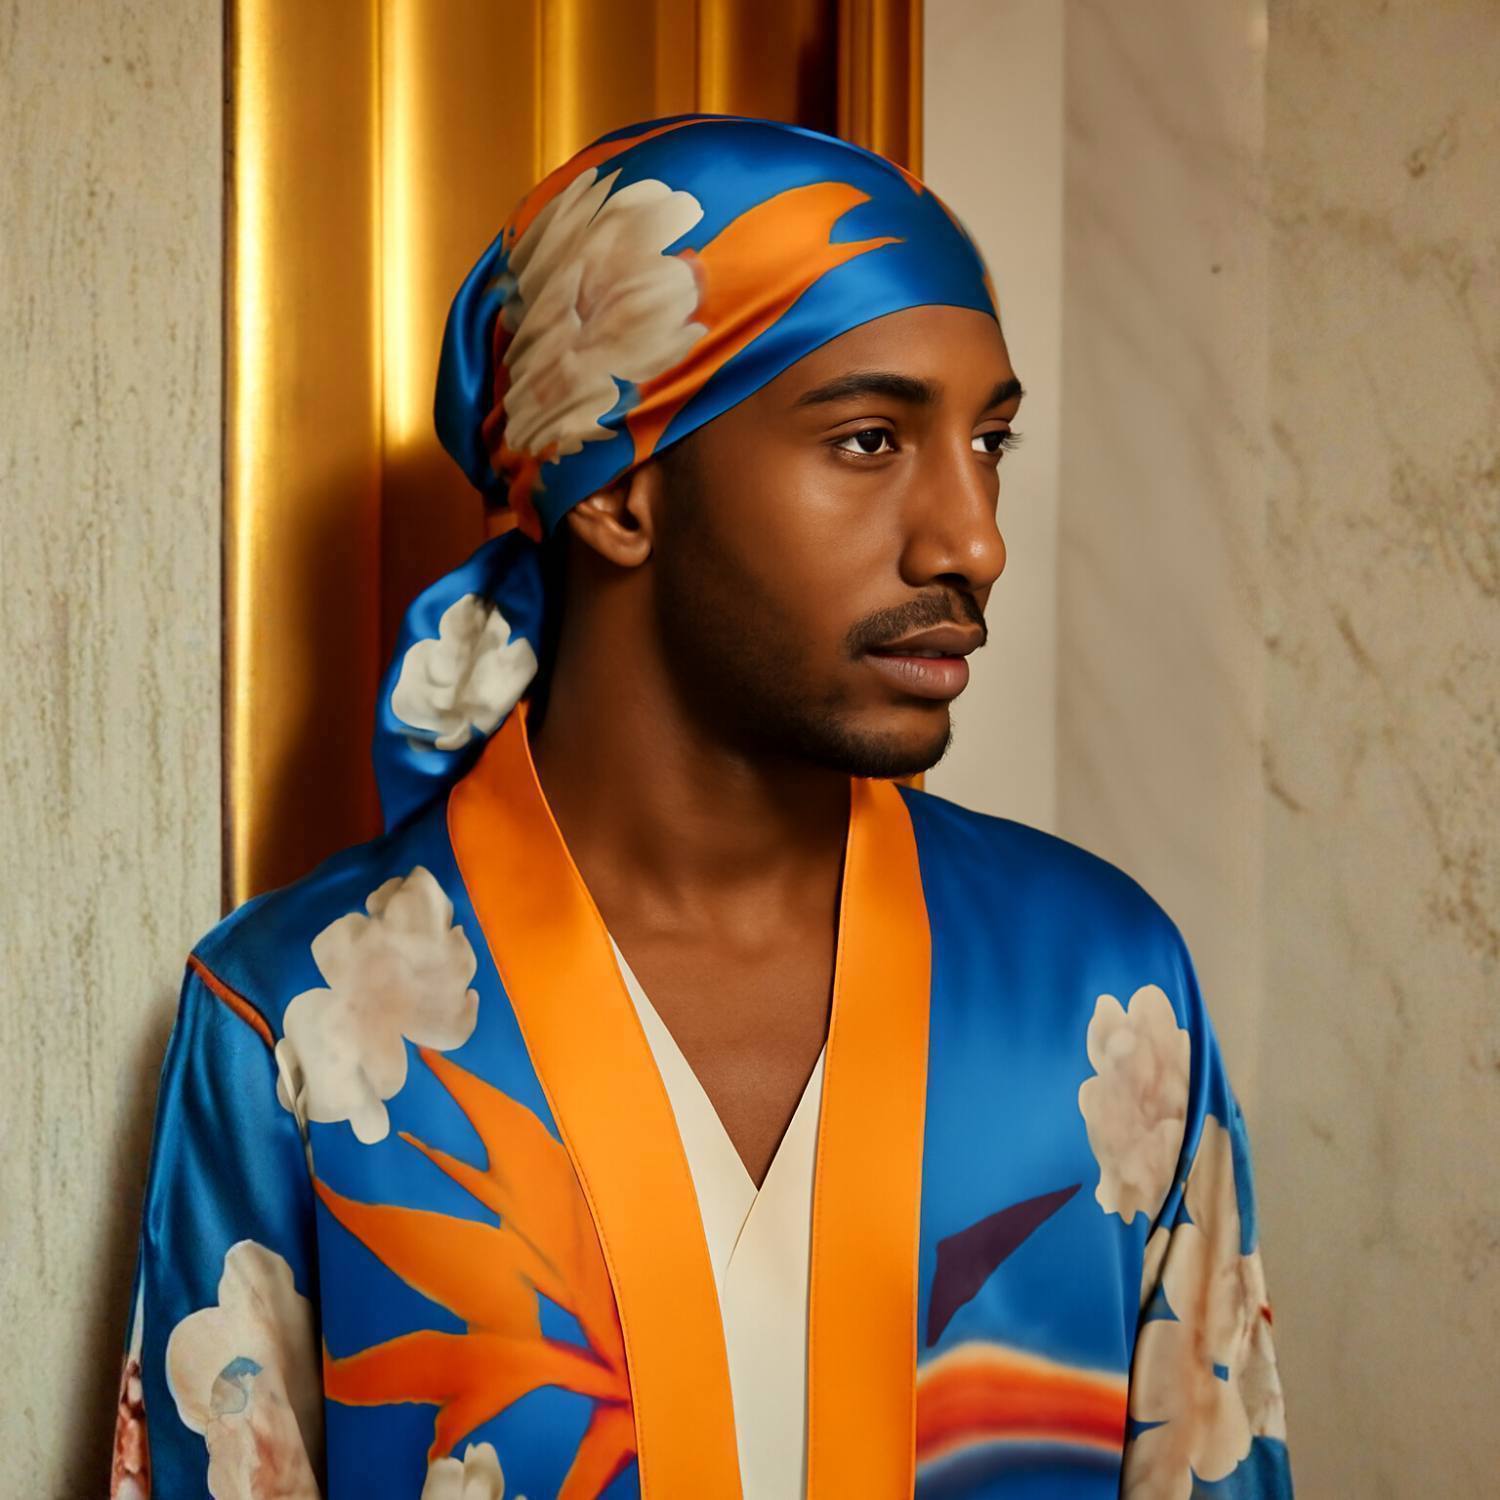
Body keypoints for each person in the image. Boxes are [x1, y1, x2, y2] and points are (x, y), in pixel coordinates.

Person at [111, 114, 1292, 1500]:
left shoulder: (1103, 995)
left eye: (990, 443)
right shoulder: (291, 1029)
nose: (973, 540)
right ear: (619, 492)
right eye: (869, 439)